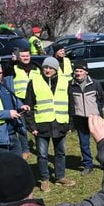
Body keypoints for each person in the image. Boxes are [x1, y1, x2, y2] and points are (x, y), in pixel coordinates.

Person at [24, 57, 75, 192]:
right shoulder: (34, 82)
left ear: (56, 69)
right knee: (42, 154)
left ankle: (60, 177)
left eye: (50, 68)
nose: (47, 70)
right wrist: (32, 126)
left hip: (60, 123)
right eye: (45, 67)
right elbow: (28, 106)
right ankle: (44, 179)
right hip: (42, 125)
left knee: (61, 152)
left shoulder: (65, 81)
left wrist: (71, 124)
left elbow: (71, 104)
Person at [68, 60, 104, 174]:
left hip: (94, 118)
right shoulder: (70, 85)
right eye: (76, 71)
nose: (78, 73)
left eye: (81, 71)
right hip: (79, 119)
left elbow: (101, 99)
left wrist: (96, 111)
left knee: (101, 142)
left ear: (86, 72)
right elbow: (70, 103)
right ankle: (88, 165)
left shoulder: (95, 83)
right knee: (84, 144)